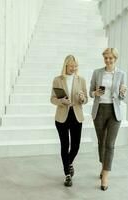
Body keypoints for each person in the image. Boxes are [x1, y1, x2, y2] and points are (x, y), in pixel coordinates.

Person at [89, 48, 127, 191]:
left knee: (110, 144)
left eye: (111, 58)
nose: (108, 60)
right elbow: (90, 93)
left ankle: (105, 175)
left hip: (114, 112)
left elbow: (122, 96)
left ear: (115, 59)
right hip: (99, 110)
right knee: (102, 142)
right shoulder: (97, 72)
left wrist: (122, 93)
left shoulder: (121, 74)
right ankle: (104, 165)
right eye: (106, 58)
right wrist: (95, 92)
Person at [50, 55, 88, 187]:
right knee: (65, 145)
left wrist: (83, 98)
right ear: (66, 65)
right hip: (62, 117)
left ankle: (69, 163)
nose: (73, 68)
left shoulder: (81, 80)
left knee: (76, 146)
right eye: (71, 65)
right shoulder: (58, 80)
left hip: (76, 115)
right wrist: (61, 101)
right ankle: (67, 174)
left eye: (75, 65)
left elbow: (86, 100)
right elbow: (52, 99)